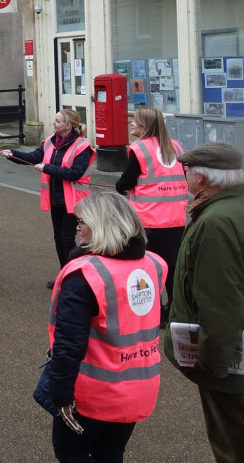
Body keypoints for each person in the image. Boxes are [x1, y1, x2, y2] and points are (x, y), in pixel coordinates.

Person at [163, 142, 244, 463]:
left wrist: (215, 363)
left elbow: (220, 303)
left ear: (204, 179)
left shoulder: (217, 221)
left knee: (235, 444)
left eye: (187, 171)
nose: (184, 175)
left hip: (229, 354)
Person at [47, 192, 166, 463]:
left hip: (94, 393)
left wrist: (61, 394)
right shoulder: (155, 264)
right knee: (111, 453)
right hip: (140, 386)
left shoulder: (84, 273)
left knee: (71, 452)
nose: (77, 227)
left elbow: (69, 344)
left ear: (101, 225)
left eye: (82, 221)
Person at [1, 109, 94, 287]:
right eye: (55, 120)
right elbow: (33, 157)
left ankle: (75, 277)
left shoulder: (82, 147)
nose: (53, 123)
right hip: (56, 199)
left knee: (68, 239)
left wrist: (47, 168)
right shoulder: (51, 141)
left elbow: (75, 173)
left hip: (74, 201)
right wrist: (12, 154)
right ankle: (65, 273)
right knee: (58, 238)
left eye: (58, 121)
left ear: (68, 126)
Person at [115, 107, 187, 327]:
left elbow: (126, 182)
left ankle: (153, 311)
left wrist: (120, 187)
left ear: (144, 126)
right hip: (176, 217)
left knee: (148, 268)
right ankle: (174, 310)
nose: (131, 125)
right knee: (172, 267)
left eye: (135, 122)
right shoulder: (175, 146)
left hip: (148, 219)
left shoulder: (139, 149)